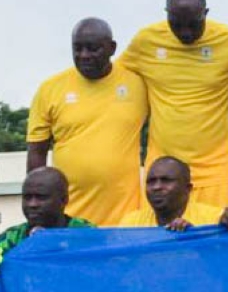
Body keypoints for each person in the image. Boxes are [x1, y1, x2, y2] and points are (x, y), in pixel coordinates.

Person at [120, 0, 228, 208]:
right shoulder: (146, 41)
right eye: (177, 24)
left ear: (206, 13)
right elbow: (115, 76)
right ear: (166, 14)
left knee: (215, 230)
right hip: (162, 173)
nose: (186, 32)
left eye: (193, 24)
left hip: (214, 172)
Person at [26, 18, 148, 226]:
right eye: (77, 48)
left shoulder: (137, 84)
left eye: (92, 48)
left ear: (112, 48)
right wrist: (37, 206)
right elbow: (37, 152)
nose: (84, 55)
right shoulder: (50, 89)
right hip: (69, 220)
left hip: (125, 219)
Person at [118, 156, 228, 231]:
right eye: (151, 181)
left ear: (188, 188)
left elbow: (223, 263)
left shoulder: (216, 220)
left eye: (166, 180)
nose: (156, 187)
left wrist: (193, 237)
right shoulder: (131, 224)